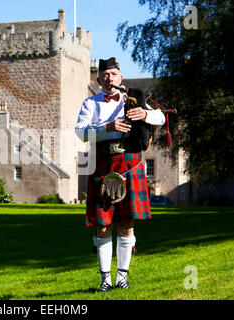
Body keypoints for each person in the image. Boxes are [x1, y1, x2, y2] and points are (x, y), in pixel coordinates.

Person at [75, 57, 165, 291]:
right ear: (98, 79)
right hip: (102, 166)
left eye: (113, 74)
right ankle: (105, 279)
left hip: (131, 164)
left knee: (127, 223)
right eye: (105, 75)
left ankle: (122, 278)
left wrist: (145, 115)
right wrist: (108, 127)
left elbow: (162, 117)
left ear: (120, 77)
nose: (109, 78)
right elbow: (81, 133)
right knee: (102, 225)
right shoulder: (90, 103)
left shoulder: (134, 98)